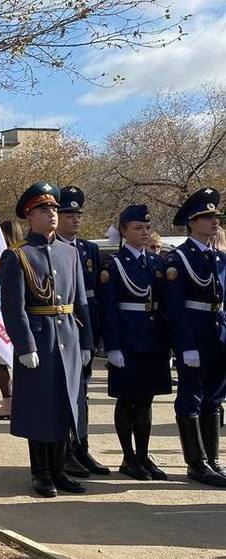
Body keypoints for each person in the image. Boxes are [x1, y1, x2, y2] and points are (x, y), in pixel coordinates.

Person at [0, 181, 94, 498]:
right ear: (29, 216)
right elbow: (13, 307)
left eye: (54, 208)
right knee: (40, 409)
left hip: (67, 335)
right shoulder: (18, 256)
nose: (52, 214)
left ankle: (59, 469)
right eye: (44, 209)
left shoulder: (70, 253)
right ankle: (41, 473)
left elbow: (80, 303)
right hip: (39, 342)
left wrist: (85, 343)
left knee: (64, 407)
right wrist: (25, 345)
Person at [98, 205, 171, 481]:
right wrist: (113, 346)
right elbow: (109, 309)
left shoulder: (155, 262)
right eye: (138, 228)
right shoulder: (114, 265)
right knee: (127, 400)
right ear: (124, 231)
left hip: (153, 340)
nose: (144, 232)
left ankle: (143, 455)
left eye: (147, 228)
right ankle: (128, 457)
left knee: (146, 401)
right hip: (128, 341)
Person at [165, 187, 226, 487]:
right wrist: (185, 345)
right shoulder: (179, 259)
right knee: (191, 397)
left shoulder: (219, 258)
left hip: (218, 331)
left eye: (215, 216)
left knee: (214, 399)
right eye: (206, 216)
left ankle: (212, 459)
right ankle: (196, 462)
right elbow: (175, 309)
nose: (213, 221)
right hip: (195, 331)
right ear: (191, 222)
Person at [55, 186, 110, 477]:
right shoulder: (51, 249)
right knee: (65, 393)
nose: (75, 219)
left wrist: (93, 336)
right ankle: (64, 451)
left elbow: (93, 299)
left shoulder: (89, 249)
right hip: (63, 326)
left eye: (78, 214)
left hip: (84, 329)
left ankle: (81, 448)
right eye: (68, 214)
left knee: (83, 393)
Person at [0, 219, 23, 420]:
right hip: (14, 317)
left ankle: (8, 403)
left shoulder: (4, 256)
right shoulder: (25, 253)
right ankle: (18, 402)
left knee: (1, 362)